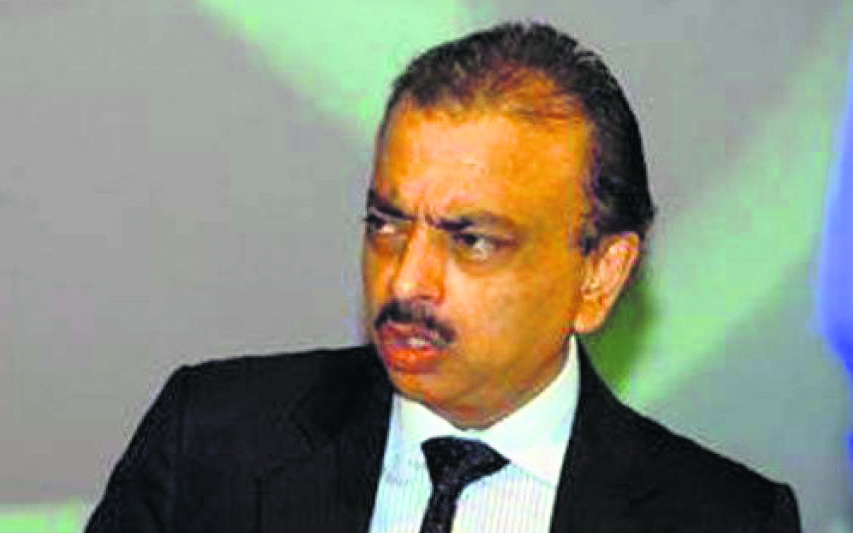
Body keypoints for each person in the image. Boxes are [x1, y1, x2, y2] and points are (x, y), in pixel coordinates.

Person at [85, 22, 801, 532]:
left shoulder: (724, 518)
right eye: (386, 224)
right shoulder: (212, 440)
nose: (405, 282)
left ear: (599, 275)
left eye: (472, 240)